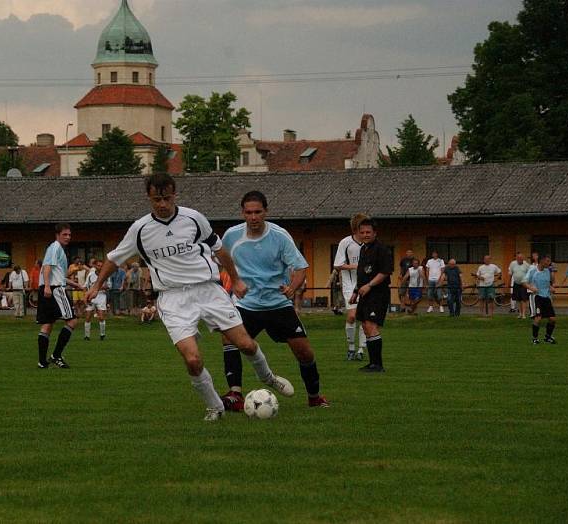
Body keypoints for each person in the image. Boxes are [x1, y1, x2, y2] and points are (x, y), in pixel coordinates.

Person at [85, 173, 293, 422]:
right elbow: (114, 258)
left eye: (166, 198)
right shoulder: (140, 229)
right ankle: (215, 406)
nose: (162, 204)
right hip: (173, 299)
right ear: (149, 198)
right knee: (193, 360)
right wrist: (97, 284)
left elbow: (220, 250)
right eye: (156, 199)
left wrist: (235, 280)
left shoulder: (194, 219)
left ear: (175, 195)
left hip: (208, 290)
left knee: (246, 344)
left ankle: (267, 377)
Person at [218, 191, 329, 412]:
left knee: (304, 352)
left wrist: (292, 288)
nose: (253, 217)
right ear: (242, 213)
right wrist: (233, 281)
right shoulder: (231, 236)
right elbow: (220, 258)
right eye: (248, 212)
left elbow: (300, 268)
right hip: (246, 304)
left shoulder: (279, 236)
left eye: (258, 212)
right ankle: (235, 393)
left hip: (277, 304)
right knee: (228, 338)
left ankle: (314, 397)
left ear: (265, 212)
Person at [37, 224, 84, 369]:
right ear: (57, 235)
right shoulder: (55, 247)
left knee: (47, 324)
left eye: (69, 235)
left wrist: (76, 285)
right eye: (65, 234)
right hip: (54, 289)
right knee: (72, 321)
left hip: (49, 288)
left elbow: (59, 275)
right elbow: (47, 267)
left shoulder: (57, 249)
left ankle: (42, 362)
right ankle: (56, 355)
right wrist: (47, 286)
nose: (68, 237)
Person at [349, 218, 392, 372]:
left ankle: (378, 365)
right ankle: (373, 363)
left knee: (372, 326)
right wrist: (356, 291)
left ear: (375, 233)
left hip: (378, 293)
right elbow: (362, 273)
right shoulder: (363, 249)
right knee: (366, 326)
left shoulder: (382, 249)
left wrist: (370, 285)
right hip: (365, 294)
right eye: (362, 232)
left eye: (368, 232)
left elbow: (385, 272)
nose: (365, 235)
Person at [333, 213, 369, 361]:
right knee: (352, 316)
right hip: (350, 284)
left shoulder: (371, 244)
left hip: (367, 284)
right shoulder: (345, 243)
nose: (364, 233)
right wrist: (357, 266)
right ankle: (351, 347)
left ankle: (361, 349)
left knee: (364, 318)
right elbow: (337, 265)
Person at [523, 255, 557, 344]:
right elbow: (524, 282)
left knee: (552, 319)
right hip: (536, 297)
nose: (549, 263)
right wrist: (531, 288)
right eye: (547, 261)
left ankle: (548, 337)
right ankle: (535, 338)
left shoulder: (547, 271)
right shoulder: (533, 270)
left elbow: (547, 284)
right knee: (538, 318)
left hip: (546, 297)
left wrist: (551, 288)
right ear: (542, 261)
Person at [84, 259, 109, 340]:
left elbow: (109, 286)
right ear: (95, 266)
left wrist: (98, 287)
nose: (100, 267)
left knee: (101, 317)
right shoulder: (91, 275)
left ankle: (102, 335)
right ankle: (87, 336)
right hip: (91, 297)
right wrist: (86, 296)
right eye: (98, 265)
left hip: (101, 297)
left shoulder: (106, 275)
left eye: (101, 266)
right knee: (88, 317)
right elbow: (85, 286)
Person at [508, 252, 531, 319]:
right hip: (516, 283)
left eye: (521, 258)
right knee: (518, 299)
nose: (519, 259)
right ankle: (520, 313)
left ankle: (523, 314)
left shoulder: (526, 264)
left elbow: (530, 273)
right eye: (518, 258)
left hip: (524, 284)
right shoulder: (513, 264)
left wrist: (528, 282)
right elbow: (510, 273)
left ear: (523, 258)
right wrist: (508, 283)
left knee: (523, 299)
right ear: (516, 258)